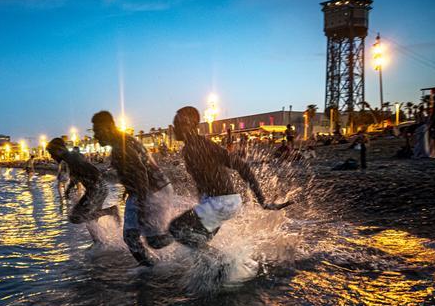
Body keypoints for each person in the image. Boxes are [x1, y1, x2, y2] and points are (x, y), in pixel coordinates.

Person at [164, 107, 291, 249]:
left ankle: (222, 263)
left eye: (177, 124)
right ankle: (228, 266)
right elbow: (202, 181)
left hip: (223, 202)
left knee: (176, 229)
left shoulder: (201, 145)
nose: (174, 129)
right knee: (195, 239)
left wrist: (262, 201)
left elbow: (242, 166)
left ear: (189, 125)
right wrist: (202, 204)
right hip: (218, 202)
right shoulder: (190, 148)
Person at [92, 111, 174, 266]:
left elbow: (141, 171)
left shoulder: (120, 145)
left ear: (108, 127)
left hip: (151, 191)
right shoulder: (122, 142)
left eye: (97, 131)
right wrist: (127, 190)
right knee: (153, 240)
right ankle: (157, 263)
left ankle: (155, 265)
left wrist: (141, 205)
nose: (96, 136)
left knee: (134, 238)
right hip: (154, 189)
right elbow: (132, 171)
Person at [46, 138, 119, 229]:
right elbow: (76, 175)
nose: (52, 156)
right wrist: (70, 188)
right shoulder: (70, 157)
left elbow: (90, 169)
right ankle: (98, 241)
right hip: (98, 187)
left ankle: (111, 211)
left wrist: (94, 181)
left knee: (74, 217)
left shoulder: (71, 158)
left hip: (96, 189)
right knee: (91, 220)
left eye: (52, 153)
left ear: (59, 150)